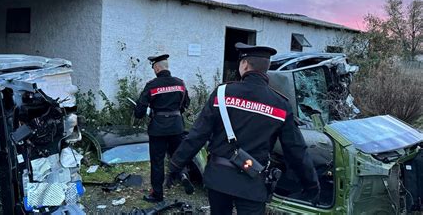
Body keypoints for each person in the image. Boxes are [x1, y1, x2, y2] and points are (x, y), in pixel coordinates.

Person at [167, 43, 320, 214]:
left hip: (219, 179)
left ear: (245, 64)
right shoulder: (280, 105)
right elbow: (296, 150)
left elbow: (197, 135)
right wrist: (311, 184)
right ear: (266, 68)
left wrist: (175, 165)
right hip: (253, 183)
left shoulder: (222, 94)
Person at [134, 54, 192, 202]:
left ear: (157, 67)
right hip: (177, 127)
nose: (154, 70)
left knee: (157, 161)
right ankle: (183, 175)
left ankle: (157, 194)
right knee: (177, 155)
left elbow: (140, 110)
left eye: (153, 67)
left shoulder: (152, 85)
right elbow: (186, 103)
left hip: (158, 129)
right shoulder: (180, 83)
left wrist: (141, 115)